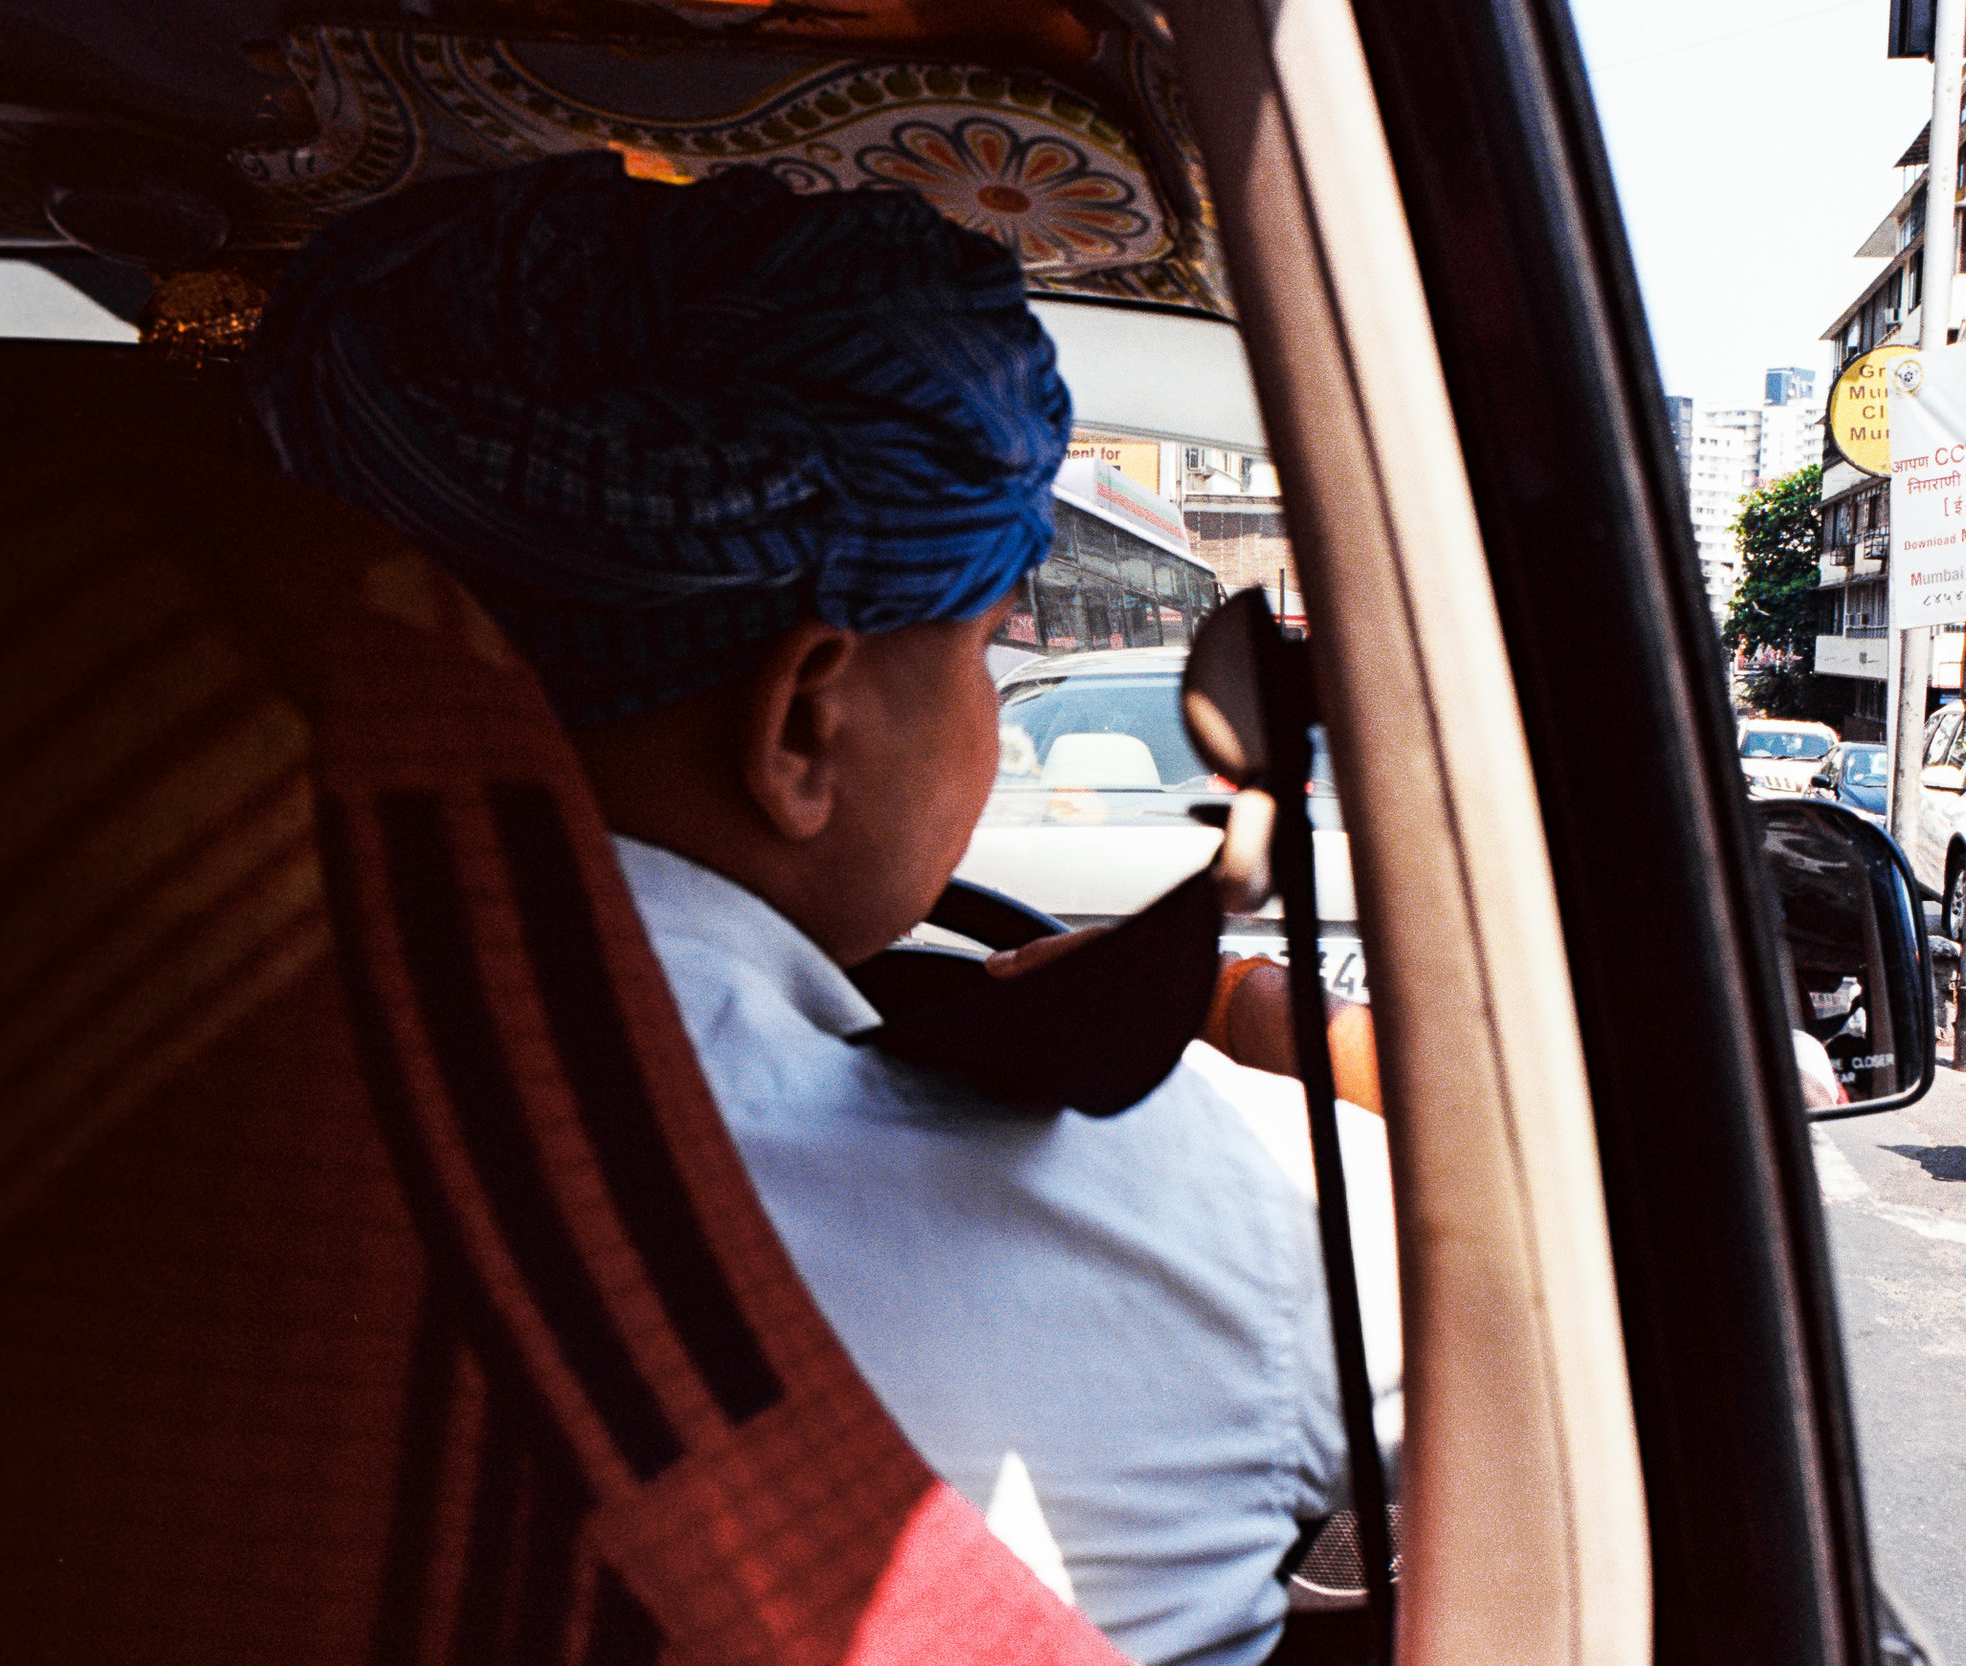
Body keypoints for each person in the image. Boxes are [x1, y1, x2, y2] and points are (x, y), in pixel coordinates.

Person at [245, 153, 1398, 1666]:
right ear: (802, 723)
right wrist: (1244, 1019)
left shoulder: (99, 1059)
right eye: (987, 643)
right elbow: (1577, 1350)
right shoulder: (1183, 1197)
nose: (992, 703)